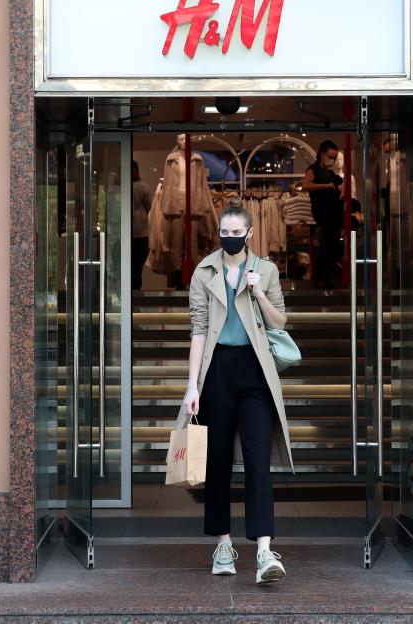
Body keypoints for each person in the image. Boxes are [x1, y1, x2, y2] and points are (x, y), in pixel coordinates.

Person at [175, 199, 295, 586]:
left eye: (236, 233)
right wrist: (192, 385)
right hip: (217, 372)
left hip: (255, 371)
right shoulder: (204, 271)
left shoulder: (267, 271)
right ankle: (223, 544)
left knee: (259, 461)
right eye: (224, 233)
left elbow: (281, 321)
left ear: (249, 233)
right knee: (218, 463)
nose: (229, 238)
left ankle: (263, 551)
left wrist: (258, 292)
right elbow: (197, 329)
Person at [301, 140, 343, 288]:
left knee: (333, 244)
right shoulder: (314, 169)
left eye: (334, 157)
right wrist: (324, 186)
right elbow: (305, 185)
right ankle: (323, 279)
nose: (332, 160)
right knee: (327, 244)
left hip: (333, 213)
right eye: (331, 156)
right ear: (322, 153)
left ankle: (328, 277)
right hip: (322, 211)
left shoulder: (330, 172)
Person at [131, 160, 152, 290]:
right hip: (142, 232)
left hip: (130, 232)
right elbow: (150, 207)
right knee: (137, 267)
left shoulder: (121, 187)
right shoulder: (144, 187)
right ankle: (136, 291)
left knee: (131, 265)